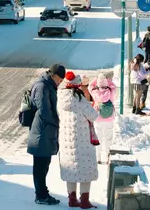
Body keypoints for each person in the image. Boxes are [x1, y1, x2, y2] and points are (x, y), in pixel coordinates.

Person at [58, 72, 100, 209]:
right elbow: (93, 116)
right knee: (85, 169)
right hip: (82, 140)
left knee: (70, 169)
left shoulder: (60, 98)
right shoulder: (80, 100)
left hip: (66, 140)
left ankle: (72, 199)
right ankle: (84, 200)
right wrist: (95, 106)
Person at [28, 63, 64, 206]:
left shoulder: (48, 85)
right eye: (59, 79)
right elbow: (44, 110)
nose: (60, 82)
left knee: (44, 165)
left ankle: (42, 193)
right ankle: (41, 195)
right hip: (41, 131)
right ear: (53, 75)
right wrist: (57, 121)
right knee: (40, 166)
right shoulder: (42, 86)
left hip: (45, 131)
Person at [88, 73, 116, 165]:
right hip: (109, 118)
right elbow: (114, 86)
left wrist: (97, 79)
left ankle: (98, 158)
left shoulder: (95, 92)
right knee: (108, 138)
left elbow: (90, 86)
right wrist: (106, 80)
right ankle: (109, 157)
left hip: (98, 118)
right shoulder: (111, 91)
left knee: (98, 138)